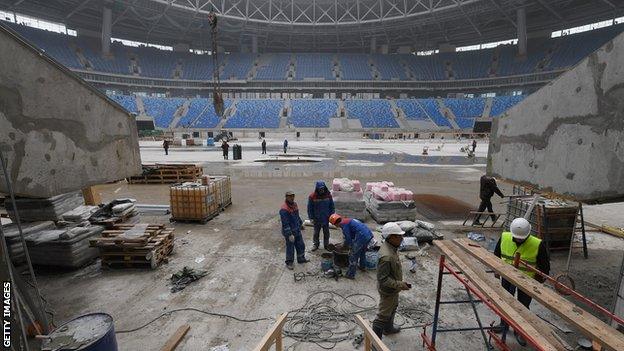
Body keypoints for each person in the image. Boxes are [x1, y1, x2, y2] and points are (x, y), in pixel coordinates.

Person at [492, 217, 550, 345]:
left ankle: (520, 330)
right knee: (505, 301)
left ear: (528, 233)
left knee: (523, 306)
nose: (519, 239)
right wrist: (496, 271)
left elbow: (545, 267)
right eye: (517, 237)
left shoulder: (537, 244)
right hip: (507, 277)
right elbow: (495, 256)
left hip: (527, 281)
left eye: (521, 238)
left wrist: (537, 282)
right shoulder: (505, 237)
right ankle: (504, 324)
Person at [372, 223, 411, 341]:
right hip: (388, 290)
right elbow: (383, 279)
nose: (402, 238)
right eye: (399, 236)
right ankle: (375, 344)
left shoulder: (391, 247)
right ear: (391, 237)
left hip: (393, 289)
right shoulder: (386, 256)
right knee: (382, 316)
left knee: (393, 306)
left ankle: (388, 328)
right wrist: (400, 284)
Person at [329, 214, 373, 279]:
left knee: (353, 255)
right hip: (368, 234)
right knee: (362, 252)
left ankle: (350, 275)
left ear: (335, 223)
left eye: (334, 225)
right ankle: (362, 267)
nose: (336, 226)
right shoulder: (347, 220)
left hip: (362, 236)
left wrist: (344, 246)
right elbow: (352, 234)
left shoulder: (344, 225)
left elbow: (348, 239)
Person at [279, 191, 309, 270]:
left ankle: (301, 259)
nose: (291, 198)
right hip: (290, 232)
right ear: (286, 197)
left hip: (297, 229)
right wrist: (289, 234)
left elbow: (297, 216)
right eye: (289, 196)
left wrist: (300, 224)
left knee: (300, 245)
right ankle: (289, 262)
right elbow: (285, 223)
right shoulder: (284, 209)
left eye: (292, 196)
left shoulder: (295, 205)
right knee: (290, 247)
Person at [307, 181, 335, 251]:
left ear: (324, 188)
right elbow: (309, 208)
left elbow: (332, 206)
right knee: (316, 233)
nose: (321, 190)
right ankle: (316, 245)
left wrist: (331, 216)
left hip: (326, 218)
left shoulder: (328, 195)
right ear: (317, 189)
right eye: (320, 189)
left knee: (326, 232)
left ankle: (326, 245)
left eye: (322, 189)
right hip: (317, 219)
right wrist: (311, 218)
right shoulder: (312, 197)